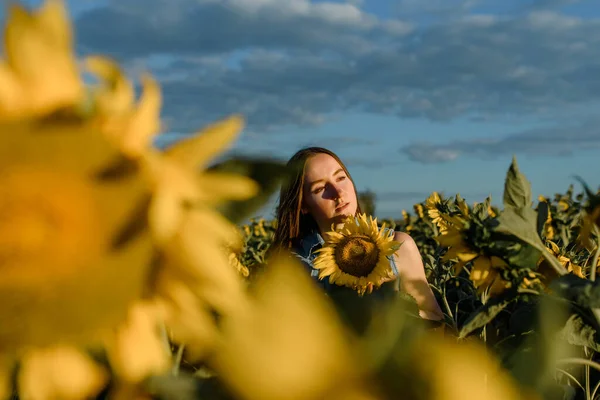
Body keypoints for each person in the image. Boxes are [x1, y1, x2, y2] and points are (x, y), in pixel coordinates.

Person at [271, 146, 444, 322]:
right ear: (303, 206)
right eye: (320, 188)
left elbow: (435, 319)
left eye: (340, 178)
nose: (338, 192)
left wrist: (388, 311)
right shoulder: (293, 266)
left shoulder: (398, 246)